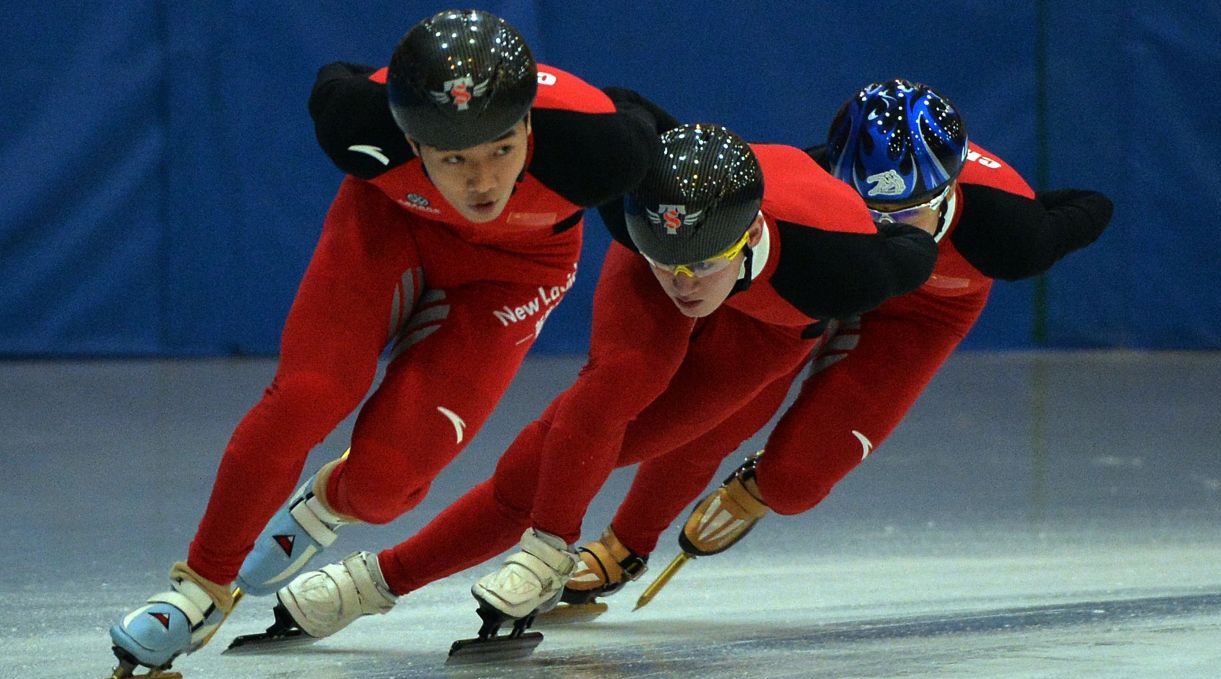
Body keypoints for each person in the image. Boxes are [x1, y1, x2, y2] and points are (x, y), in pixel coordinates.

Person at [104, 9, 662, 675]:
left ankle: (325, 506)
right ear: (411, 140)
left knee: (381, 488)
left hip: (514, 274)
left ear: (530, 126)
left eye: (501, 151)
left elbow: (674, 156)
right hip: (389, 227)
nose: (482, 182)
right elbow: (334, 80)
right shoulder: (356, 121)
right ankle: (197, 591)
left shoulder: (602, 146)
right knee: (309, 396)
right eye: (454, 158)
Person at [256, 121, 938, 645]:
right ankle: (482, 564)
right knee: (587, 416)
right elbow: (625, 115)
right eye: (669, 257)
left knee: (595, 453)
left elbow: (921, 245)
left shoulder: (846, 267)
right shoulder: (640, 223)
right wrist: (552, 542)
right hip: (669, 252)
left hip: (772, 327)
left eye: (702, 264)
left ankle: (381, 579)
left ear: (746, 239)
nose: (683, 282)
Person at [559, 78, 1116, 606]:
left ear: (948, 191)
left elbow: (1094, 205)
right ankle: (626, 543)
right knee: (720, 415)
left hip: (923, 313)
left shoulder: (1011, 235)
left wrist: (1029, 206)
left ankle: (760, 486)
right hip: (833, 283)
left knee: (795, 482)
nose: (887, 227)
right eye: (868, 210)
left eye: (907, 213)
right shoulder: (811, 175)